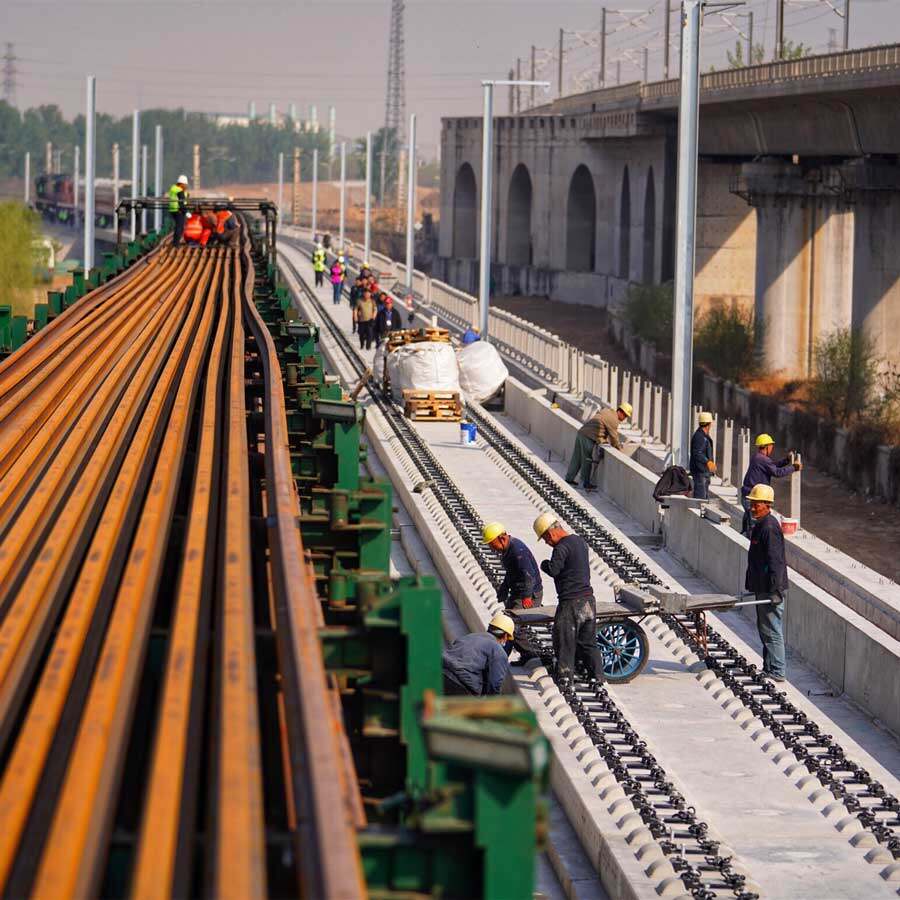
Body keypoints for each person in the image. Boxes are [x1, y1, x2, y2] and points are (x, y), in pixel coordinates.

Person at [533, 514, 605, 685]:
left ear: (551, 533)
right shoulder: (579, 541)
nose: (547, 542)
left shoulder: (561, 548)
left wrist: (544, 564)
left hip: (571, 602)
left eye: (545, 538)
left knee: (565, 640)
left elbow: (554, 569)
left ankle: (565, 678)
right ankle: (598, 676)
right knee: (588, 642)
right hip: (588, 600)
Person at [744, 484, 788, 682]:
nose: (753, 507)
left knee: (772, 629)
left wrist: (776, 589)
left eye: (757, 504)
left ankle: (777, 671)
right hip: (762, 587)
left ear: (767, 505)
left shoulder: (769, 527)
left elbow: (776, 561)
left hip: (770, 590)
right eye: (752, 503)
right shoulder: (760, 524)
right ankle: (769, 668)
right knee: (765, 629)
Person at [740, 434, 802, 534]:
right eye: (771, 446)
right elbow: (777, 472)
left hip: (747, 496)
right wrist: (794, 468)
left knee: (749, 525)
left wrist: (786, 461)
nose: (772, 448)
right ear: (767, 446)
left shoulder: (757, 457)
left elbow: (771, 466)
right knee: (754, 528)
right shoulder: (763, 459)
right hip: (753, 500)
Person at [565, 402, 632, 492]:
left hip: (582, 433)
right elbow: (614, 438)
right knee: (587, 460)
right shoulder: (614, 420)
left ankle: (569, 478)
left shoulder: (607, 411)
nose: (624, 419)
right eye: (625, 416)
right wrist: (620, 450)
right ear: (621, 412)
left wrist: (601, 439)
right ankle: (586, 483)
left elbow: (600, 427)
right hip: (588, 437)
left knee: (576, 458)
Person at [442, 613, 514, 696]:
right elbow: (494, 684)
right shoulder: (498, 651)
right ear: (505, 636)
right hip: (460, 686)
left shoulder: (469, 637)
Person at [482, 522, 543, 610]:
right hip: (518, 591)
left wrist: (527, 596)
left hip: (531, 593)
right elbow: (512, 572)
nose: (491, 548)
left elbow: (528, 575)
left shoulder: (517, 551)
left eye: (492, 544)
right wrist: (505, 588)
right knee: (507, 615)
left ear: (501, 539)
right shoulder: (507, 550)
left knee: (513, 619)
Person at [690, 411, 716, 500]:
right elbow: (697, 453)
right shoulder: (700, 437)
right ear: (709, 424)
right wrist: (708, 462)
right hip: (700, 473)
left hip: (703, 472)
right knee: (701, 500)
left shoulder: (702, 436)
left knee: (704, 498)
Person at [167, 174, 189, 246]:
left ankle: (175, 242)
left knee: (178, 226)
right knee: (179, 227)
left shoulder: (173, 188)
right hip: (179, 210)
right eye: (185, 184)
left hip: (173, 210)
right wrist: (186, 212)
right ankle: (176, 244)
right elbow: (181, 203)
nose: (186, 186)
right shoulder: (179, 190)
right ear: (181, 184)